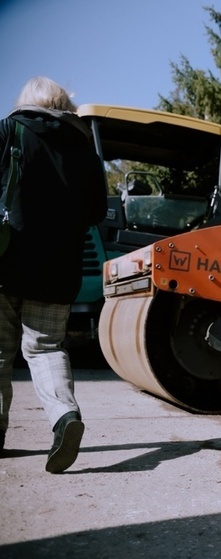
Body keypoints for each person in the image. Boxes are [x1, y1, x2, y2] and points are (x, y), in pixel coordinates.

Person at [0, 76, 107, 472]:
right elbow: (96, 212)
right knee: (45, 349)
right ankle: (65, 417)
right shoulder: (84, 149)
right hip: (57, 270)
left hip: (4, 262)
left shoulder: (8, 132)